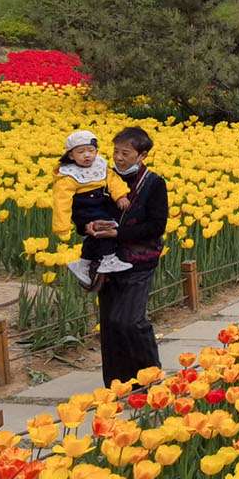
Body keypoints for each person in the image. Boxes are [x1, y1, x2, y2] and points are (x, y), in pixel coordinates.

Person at [78, 127, 166, 386]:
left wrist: (117, 233)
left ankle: (150, 375)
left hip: (140, 260)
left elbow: (156, 226)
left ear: (142, 155)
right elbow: (85, 210)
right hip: (107, 260)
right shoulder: (103, 180)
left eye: (125, 153)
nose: (118, 158)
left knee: (129, 320)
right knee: (110, 324)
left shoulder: (154, 184)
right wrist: (88, 226)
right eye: (115, 152)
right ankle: (118, 384)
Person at [53, 130, 133, 289]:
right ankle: (108, 259)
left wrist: (120, 196)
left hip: (101, 204)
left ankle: (82, 264)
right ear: (71, 155)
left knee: (95, 236)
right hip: (84, 208)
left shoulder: (100, 166)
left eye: (91, 151)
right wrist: (62, 227)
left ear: (97, 151)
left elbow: (113, 181)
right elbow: (61, 202)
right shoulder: (68, 176)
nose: (87, 155)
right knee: (106, 227)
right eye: (81, 152)